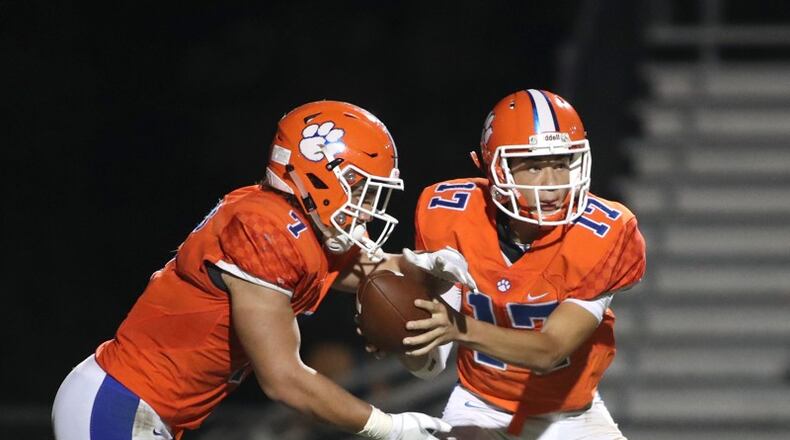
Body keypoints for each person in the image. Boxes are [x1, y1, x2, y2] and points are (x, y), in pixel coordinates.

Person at [51, 100, 453, 440]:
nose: (367, 207)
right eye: (362, 188)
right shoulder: (266, 230)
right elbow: (284, 379)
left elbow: (372, 272)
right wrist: (388, 427)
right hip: (118, 402)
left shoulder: (295, 225)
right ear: (319, 174)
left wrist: (429, 266)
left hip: (143, 409)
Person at [398, 89, 647, 439]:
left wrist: (460, 328)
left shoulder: (606, 231)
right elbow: (428, 366)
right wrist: (399, 333)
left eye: (561, 163)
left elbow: (549, 350)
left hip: (571, 417)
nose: (553, 184)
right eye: (532, 166)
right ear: (493, 167)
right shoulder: (450, 215)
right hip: (478, 406)